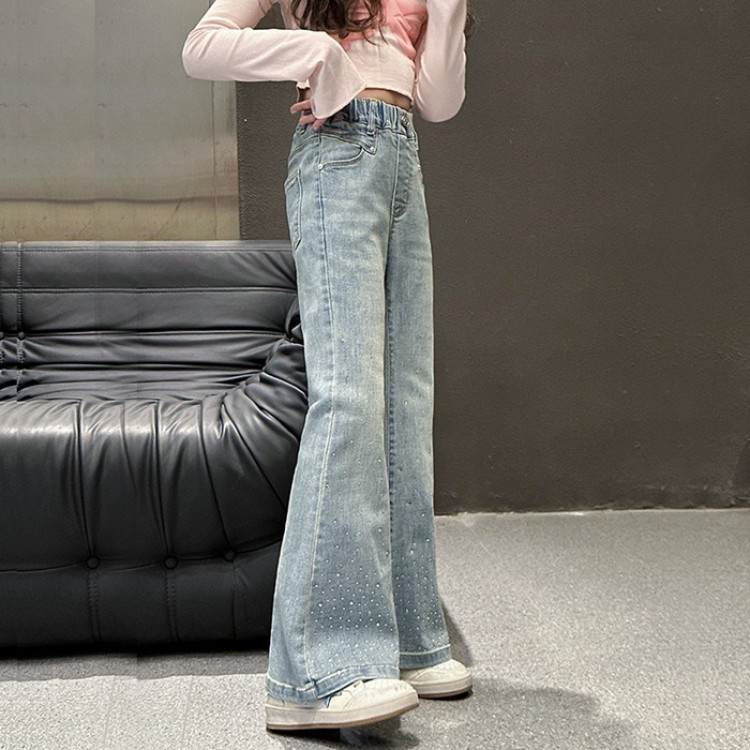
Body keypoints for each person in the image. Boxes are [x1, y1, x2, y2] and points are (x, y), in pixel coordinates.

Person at [182, 0, 473, 732]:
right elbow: (202, 46)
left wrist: (449, 13)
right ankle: (315, 674)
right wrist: (317, 56)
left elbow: (439, 100)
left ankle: (408, 640)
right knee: (349, 399)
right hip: (337, 153)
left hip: (402, 157)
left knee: (405, 406)